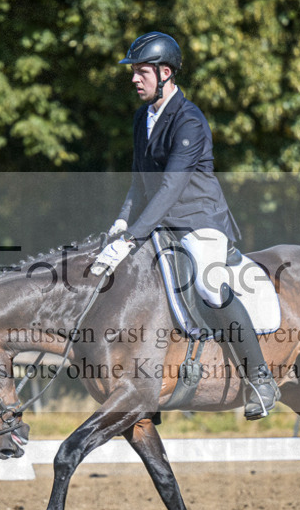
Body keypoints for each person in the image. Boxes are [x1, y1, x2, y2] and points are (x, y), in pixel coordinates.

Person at [92, 31, 279, 420]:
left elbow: (171, 187)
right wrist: (122, 222)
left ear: (165, 73)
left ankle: (260, 379)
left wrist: (133, 235)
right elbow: (140, 183)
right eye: (133, 72)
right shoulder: (142, 117)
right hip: (160, 223)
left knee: (211, 285)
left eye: (141, 72)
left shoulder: (189, 120)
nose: (134, 79)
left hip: (198, 220)